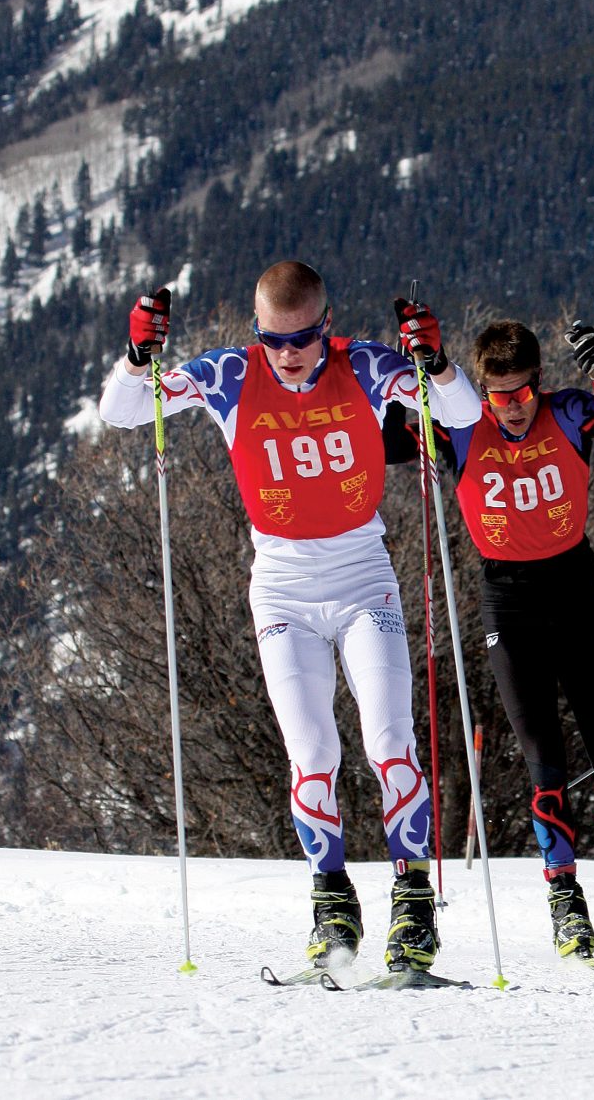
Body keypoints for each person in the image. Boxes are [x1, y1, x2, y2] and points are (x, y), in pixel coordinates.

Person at [98, 261, 483, 973]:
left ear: (326, 326)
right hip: (281, 590)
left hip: (364, 580)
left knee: (389, 740)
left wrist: (436, 361)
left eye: (302, 337)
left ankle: (413, 899)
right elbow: (122, 411)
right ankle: (331, 897)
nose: (288, 354)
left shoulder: (366, 367)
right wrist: (136, 357)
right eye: (273, 340)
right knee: (312, 754)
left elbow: (460, 415)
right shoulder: (229, 377)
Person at [426, 318, 594, 959]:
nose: (511, 407)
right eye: (497, 394)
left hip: (575, 593)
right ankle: (565, 898)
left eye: (521, 392)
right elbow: (384, 443)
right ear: (480, 389)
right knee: (544, 759)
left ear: (538, 381)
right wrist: (421, 371)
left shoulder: (568, 412)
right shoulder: (459, 427)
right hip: (506, 603)